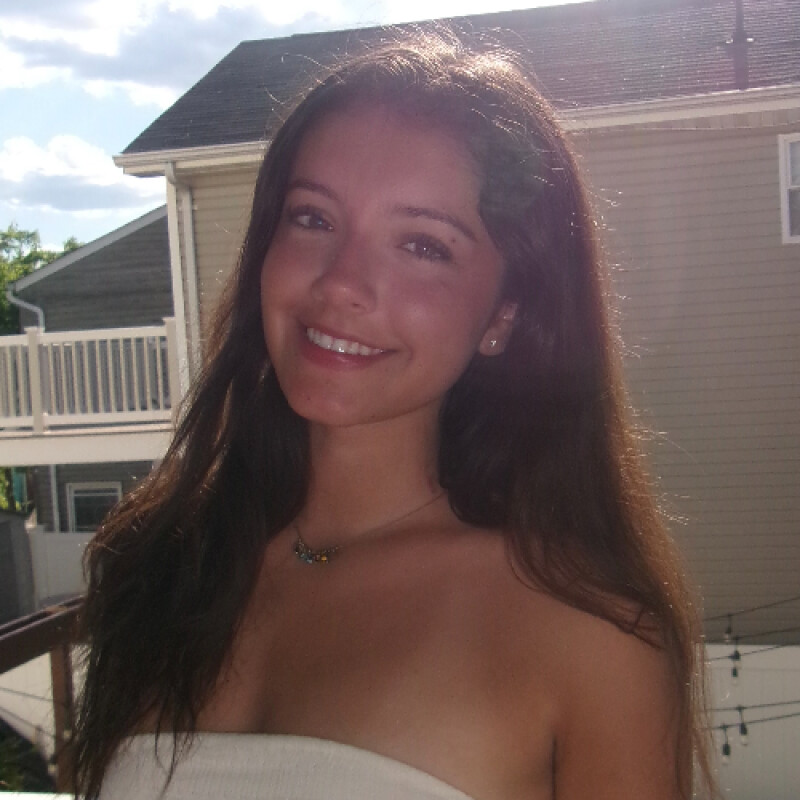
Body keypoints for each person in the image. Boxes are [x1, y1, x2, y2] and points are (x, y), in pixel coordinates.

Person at [72, 30, 711, 800]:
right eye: (313, 218)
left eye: (422, 245)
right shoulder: (162, 567)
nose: (343, 282)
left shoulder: (588, 632)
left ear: (503, 314)